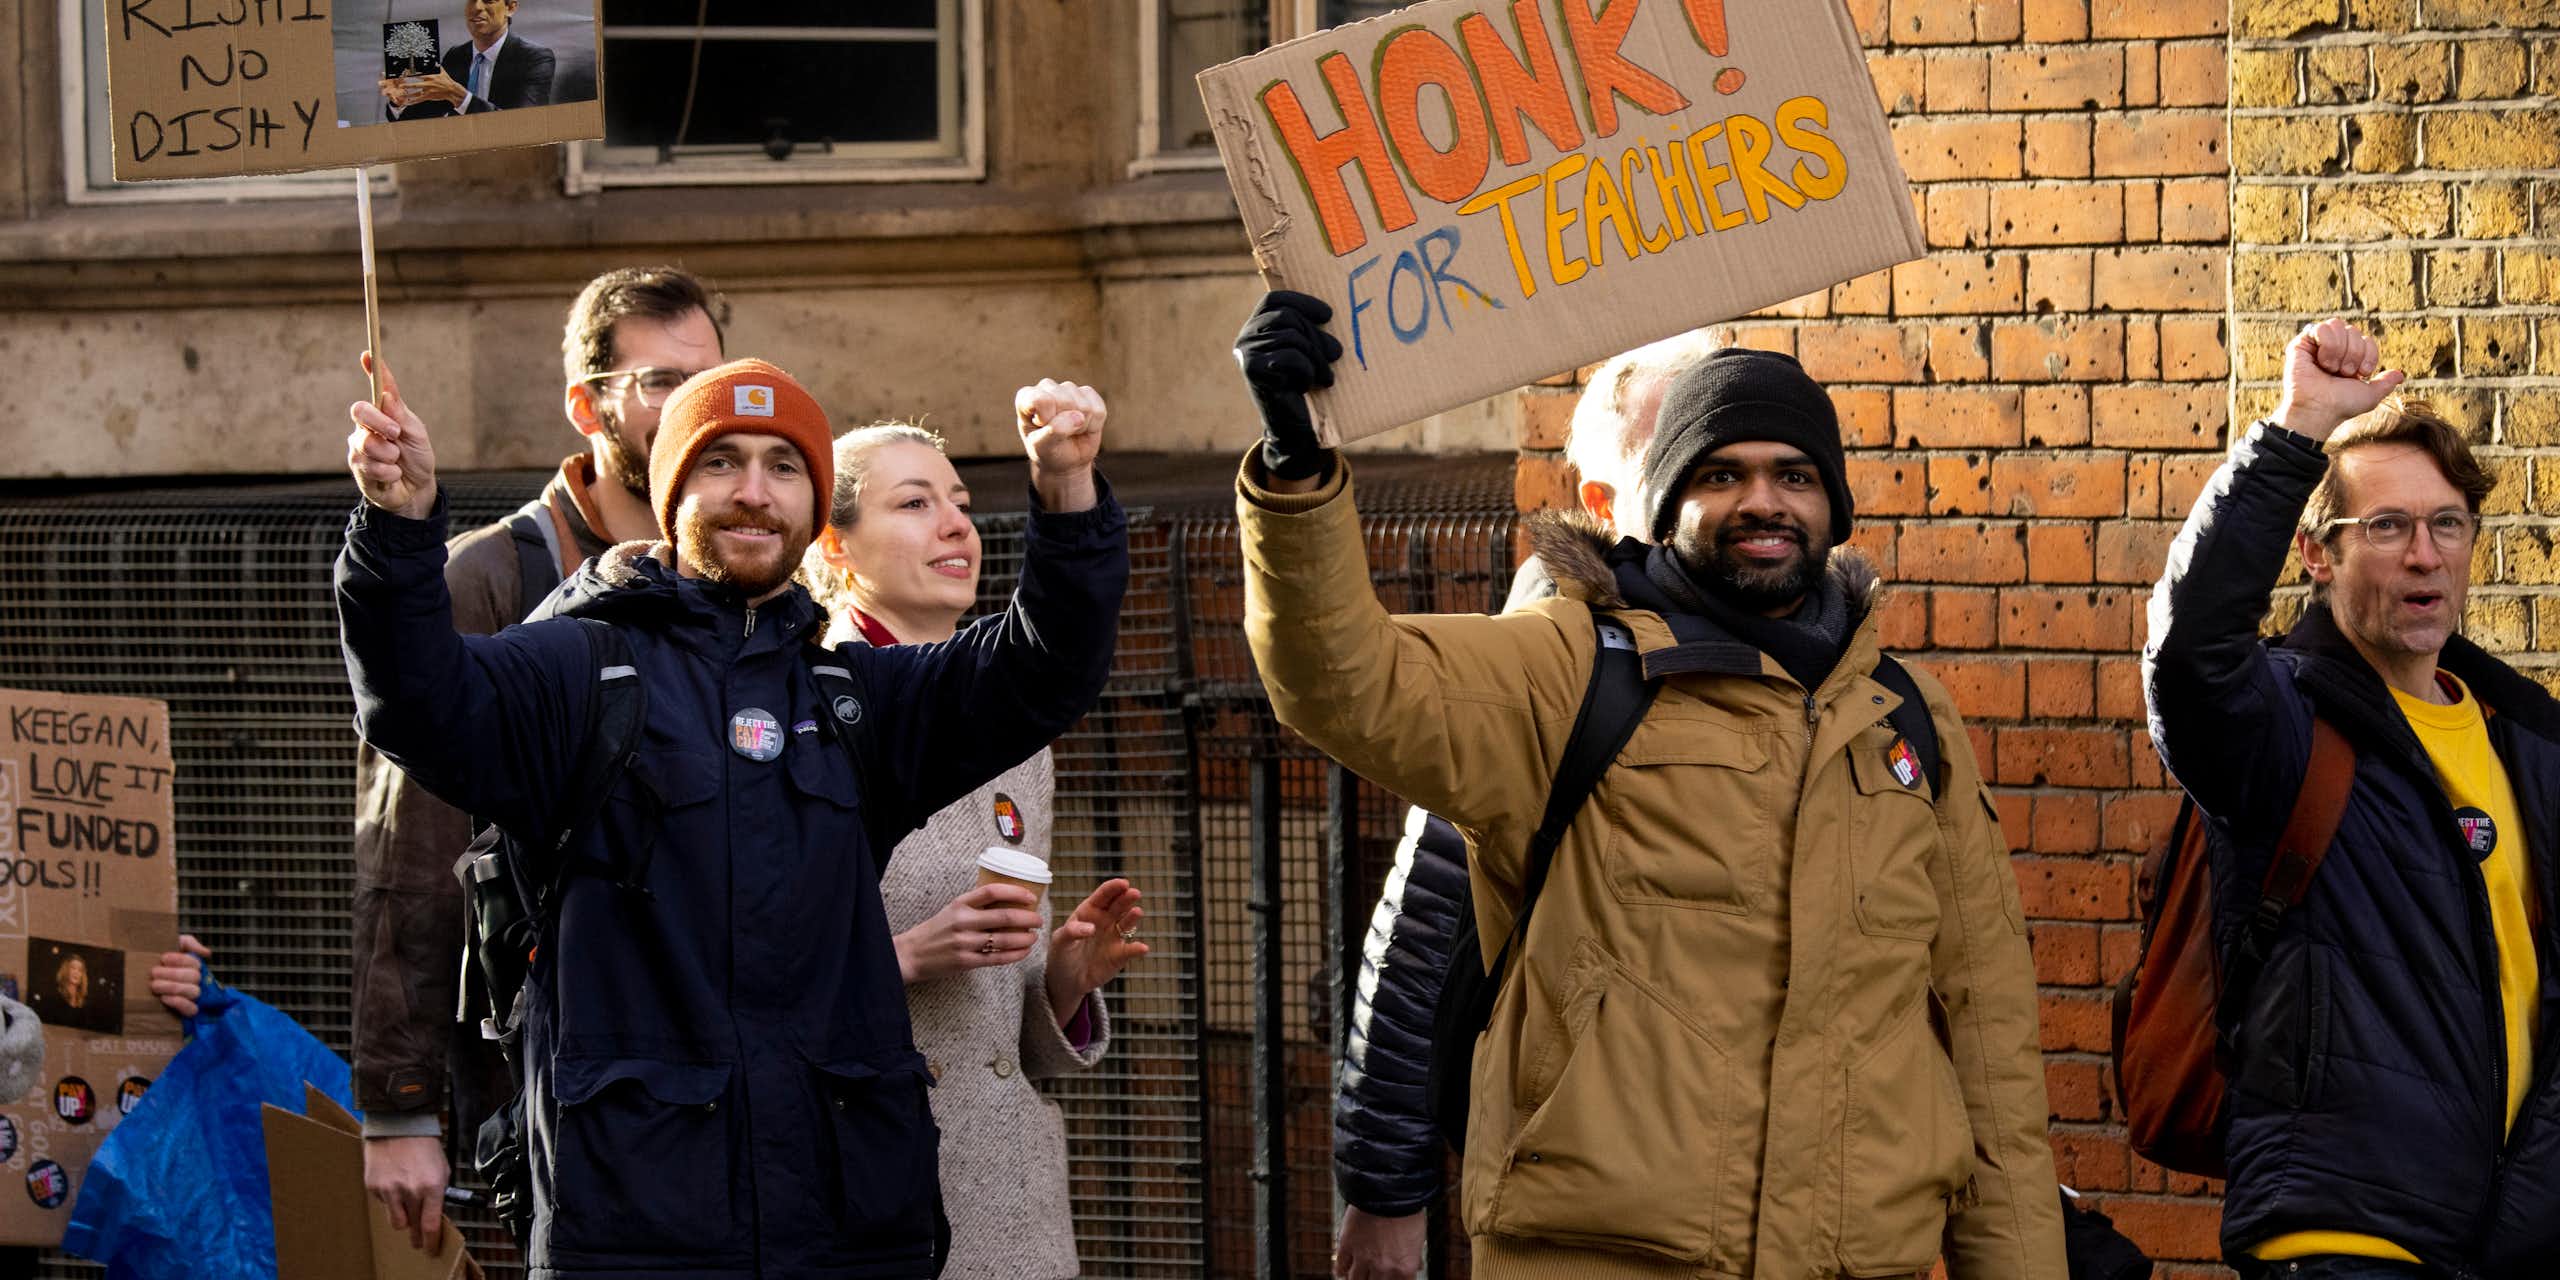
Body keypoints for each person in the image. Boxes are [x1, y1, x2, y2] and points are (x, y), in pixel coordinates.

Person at [1234, 291, 2064, 1278]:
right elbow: (1344, 683)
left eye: (1793, 475)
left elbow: (1989, 1043)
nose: (1762, 500)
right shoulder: (1567, 669)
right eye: (1721, 473)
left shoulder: (1906, 717)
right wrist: (1295, 470)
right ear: (1665, 500)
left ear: (1832, 505)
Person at [338, 353, 1128, 1277]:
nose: (754, 491)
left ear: (811, 503)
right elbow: (417, 700)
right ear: (671, 487)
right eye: (721, 462)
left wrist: (1067, 487)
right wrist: (396, 531)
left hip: (849, 1238)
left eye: (783, 467)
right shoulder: (576, 669)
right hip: (638, 1239)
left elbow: (1045, 668)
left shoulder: (854, 702)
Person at [2144, 317, 2560, 1277]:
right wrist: (2298, 429)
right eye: (2386, 526)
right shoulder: (2281, 725)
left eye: (2446, 524)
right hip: (2346, 1233)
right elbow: (2192, 654)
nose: (2424, 555)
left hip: (2506, 1236)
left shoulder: (2527, 740)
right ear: (2315, 555)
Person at [354, 266, 727, 1253]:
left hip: (721, 1084)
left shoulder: (752, 567)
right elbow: (413, 857)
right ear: (586, 403)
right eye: (658, 381)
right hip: (551, 1080)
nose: (690, 408)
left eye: (706, 380)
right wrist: (400, 1106)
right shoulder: (495, 576)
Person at [1330, 332, 1712, 1280]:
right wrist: (1385, 1192)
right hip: (1590, 1196)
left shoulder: (1801, 650)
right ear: (1602, 502)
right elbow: (1424, 927)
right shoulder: (1547, 668)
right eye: (1682, 453)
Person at [801, 423, 1149, 1278]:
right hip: (862, 1192)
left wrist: (1062, 981)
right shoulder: (796, 715)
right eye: (914, 503)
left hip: (1013, 1203)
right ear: (835, 546)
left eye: (959, 501)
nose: (957, 524)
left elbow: (1008, 1031)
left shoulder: (1020, 734)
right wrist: (908, 957)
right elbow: (741, 984)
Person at [381, 0, 555, 119]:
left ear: (510, 8)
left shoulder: (535, 59)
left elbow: (526, 124)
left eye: (488, 0)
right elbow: (422, 120)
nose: (477, 6)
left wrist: (457, 95)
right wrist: (400, 102)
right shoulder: (455, 56)